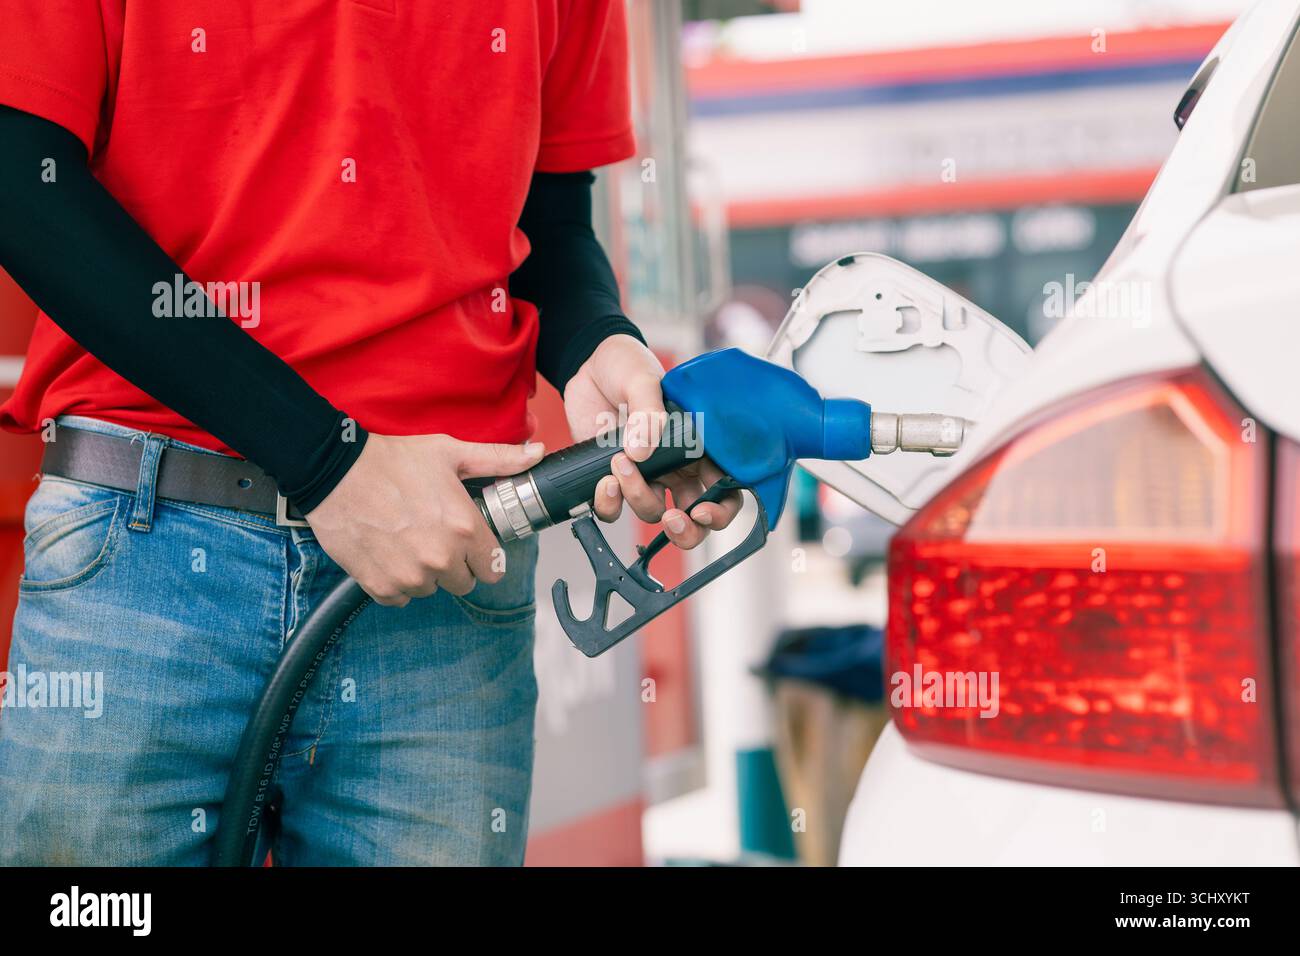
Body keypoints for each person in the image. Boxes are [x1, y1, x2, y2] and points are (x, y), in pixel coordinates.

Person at [0, 1, 737, 865]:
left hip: (447, 564)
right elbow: (22, 176)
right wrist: (326, 462)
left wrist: (598, 345)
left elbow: (549, 219)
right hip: (148, 551)